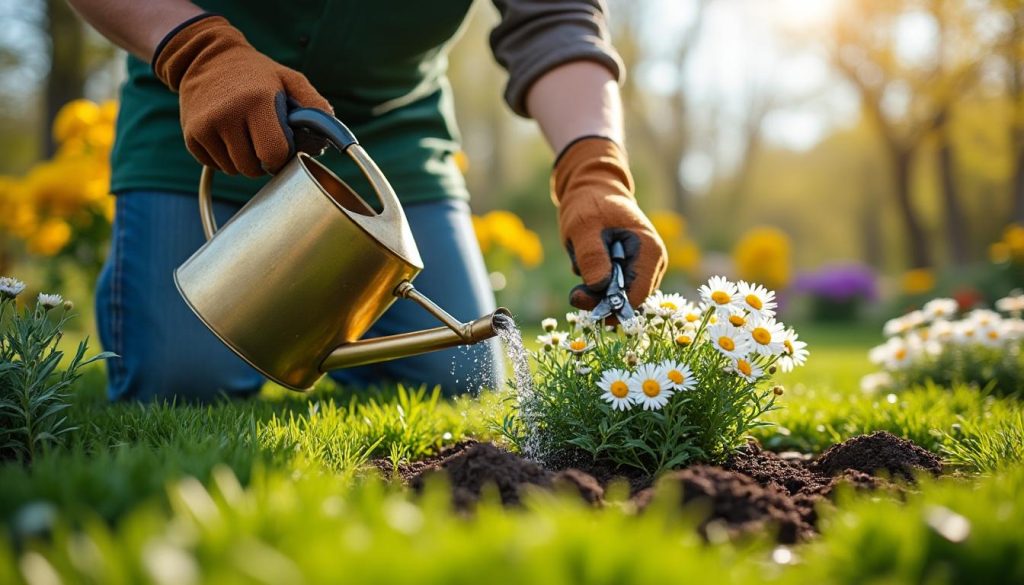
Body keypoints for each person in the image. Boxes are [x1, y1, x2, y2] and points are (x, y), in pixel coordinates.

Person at [68, 0, 668, 402]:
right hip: (207, 115)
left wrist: (593, 169)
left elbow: (555, 15)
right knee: (185, 383)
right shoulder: (200, 73)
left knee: (456, 380)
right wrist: (196, 50)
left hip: (384, 140)